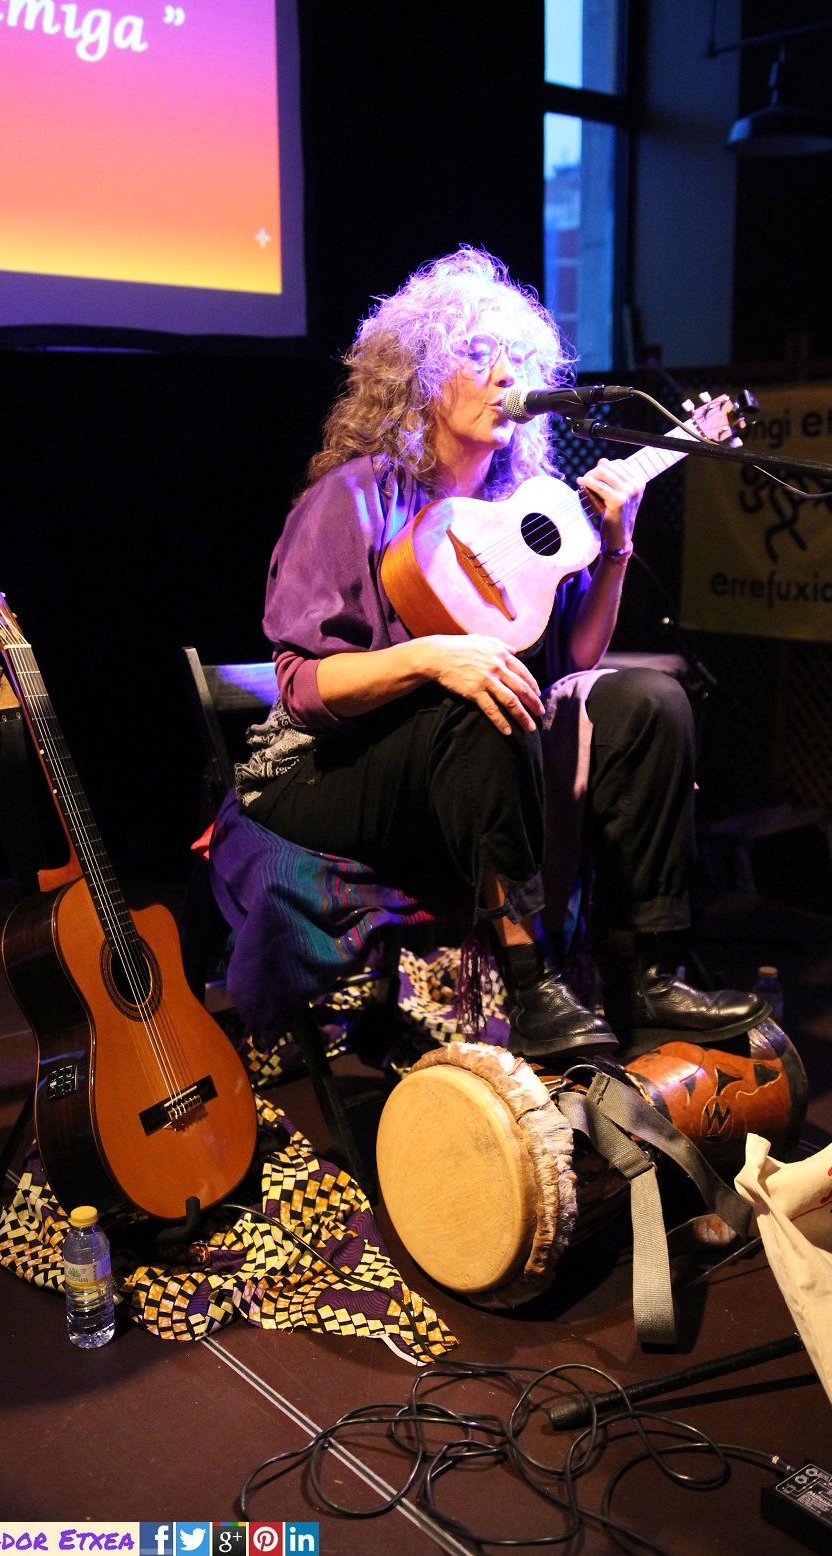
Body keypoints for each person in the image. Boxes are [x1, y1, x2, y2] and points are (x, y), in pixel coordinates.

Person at [237, 248, 764, 1062]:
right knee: (476, 693)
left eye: (516, 358)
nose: (504, 375)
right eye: (477, 354)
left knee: (647, 700)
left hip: (469, 758)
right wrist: (433, 658)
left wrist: (616, 548)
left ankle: (650, 971)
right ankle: (530, 982)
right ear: (418, 377)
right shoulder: (356, 496)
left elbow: (573, 656)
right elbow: (303, 687)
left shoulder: (518, 505)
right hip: (331, 769)